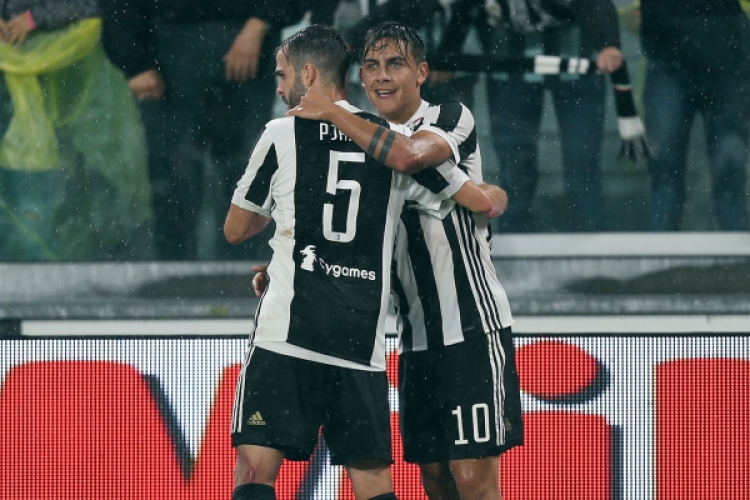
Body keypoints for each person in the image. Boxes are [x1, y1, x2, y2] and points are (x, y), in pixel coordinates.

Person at [224, 24, 506, 500]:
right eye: (371, 65)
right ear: (356, 75)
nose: (279, 87)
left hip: (304, 329)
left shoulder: (287, 131)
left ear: (307, 75)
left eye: (282, 75)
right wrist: (494, 196)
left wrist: (287, 244)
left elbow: (236, 229)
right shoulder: (386, 144)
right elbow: (475, 199)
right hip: (373, 339)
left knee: (255, 474)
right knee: (401, 480)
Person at [101, 0, 307, 260]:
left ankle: (239, 274)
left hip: (249, 43)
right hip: (167, 45)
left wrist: (259, 23)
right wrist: (135, 62)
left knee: (246, 174)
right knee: (175, 176)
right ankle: (174, 273)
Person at [428, 0, 622, 232]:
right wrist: (449, 51)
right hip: (510, 60)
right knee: (515, 169)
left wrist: (609, 42)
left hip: (571, 56)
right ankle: (517, 242)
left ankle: (591, 243)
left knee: (582, 165)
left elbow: (596, 5)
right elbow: (465, 7)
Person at [0, 0, 152, 260]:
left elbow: (95, 4)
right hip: (16, 71)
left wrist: (34, 18)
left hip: (78, 69)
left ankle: (72, 262)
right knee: (27, 184)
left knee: (78, 181)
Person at [640, 0, 750, 230]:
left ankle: (737, 249)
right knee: (666, 173)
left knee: (727, 172)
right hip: (678, 56)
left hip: (722, 59)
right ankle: (660, 248)